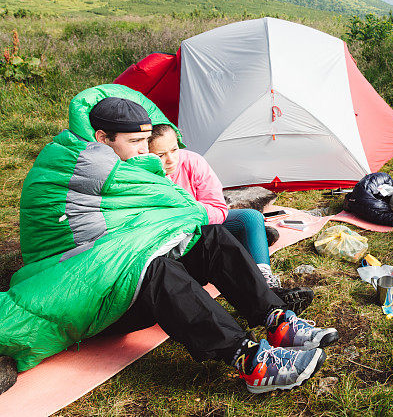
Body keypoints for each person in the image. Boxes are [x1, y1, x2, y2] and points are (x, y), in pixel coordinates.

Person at [0, 85, 339, 394]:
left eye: (146, 141)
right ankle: (251, 361)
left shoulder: (129, 167)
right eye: (134, 142)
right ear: (102, 139)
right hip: (95, 303)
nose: (144, 152)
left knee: (210, 238)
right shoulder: (77, 170)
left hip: (128, 285)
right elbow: (89, 252)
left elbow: (172, 214)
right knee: (152, 267)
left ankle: (277, 320)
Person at [148, 123, 281, 287]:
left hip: (206, 226)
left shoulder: (192, 161)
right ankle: (246, 241)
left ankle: (265, 281)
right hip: (175, 241)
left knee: (251, 217)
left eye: (174, 150)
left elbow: (218, 209)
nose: (171, 159)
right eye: (160, 155)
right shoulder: (142, 176)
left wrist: (191, 213)